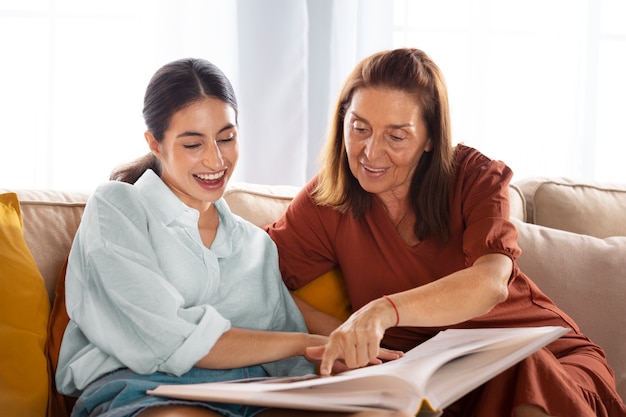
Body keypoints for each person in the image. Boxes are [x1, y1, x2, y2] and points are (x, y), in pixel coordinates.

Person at [266, 48, 626, 417]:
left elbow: (490, 282)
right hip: (432, 381)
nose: (370, 152)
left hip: (544, 363)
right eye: (359, 128)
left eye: (396, 137)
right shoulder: (328, 200)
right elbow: (255, 277)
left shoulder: (475, 177)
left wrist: (382, 312)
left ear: (430, 138)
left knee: (522, 370)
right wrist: (344, 333)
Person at [55, 58, 406, 417]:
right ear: (155, 144)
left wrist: (358, 358)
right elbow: (169, 339)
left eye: (227, 138)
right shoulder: (117, 207)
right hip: (143, 388)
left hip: (251, 392)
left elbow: (286, 345)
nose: (216, 160)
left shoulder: (254, 245)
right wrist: (303, 344)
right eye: (193, 144)